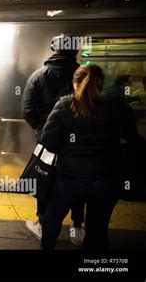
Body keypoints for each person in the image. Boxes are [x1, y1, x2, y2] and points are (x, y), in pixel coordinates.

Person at [40, 64, 142, 250]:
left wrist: (69, 149)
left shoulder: (64, 105)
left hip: (68, 179)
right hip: (105, 180)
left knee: (51, 221)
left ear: (75, 83)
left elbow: (49, 142)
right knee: (97, 231)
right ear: (102, 83)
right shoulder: (117, 107)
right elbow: (133, 139)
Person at [21, 34, 86, 245]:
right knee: (77, 178)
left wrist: (42, 129)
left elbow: (28, 110)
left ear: (54, 50)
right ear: (75, 51)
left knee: (44, 180)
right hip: (79, 141)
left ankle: (43, 223)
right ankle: (77, 227)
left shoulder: (38, 76)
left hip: (48, 140)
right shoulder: (84, 76)